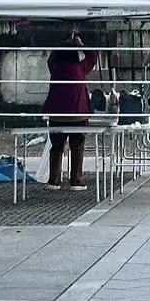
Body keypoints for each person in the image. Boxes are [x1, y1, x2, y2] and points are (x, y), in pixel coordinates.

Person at [45, 26, 94, 190]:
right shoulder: (79, 69)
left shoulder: (55, 69)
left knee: (56, 147)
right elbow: (92, 57)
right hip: (78, 114)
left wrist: (64, 42)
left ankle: (54, 180)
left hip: (56, 115)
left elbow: (50, 60)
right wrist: (80, 45)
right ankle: (76, 180)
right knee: (77, 147)